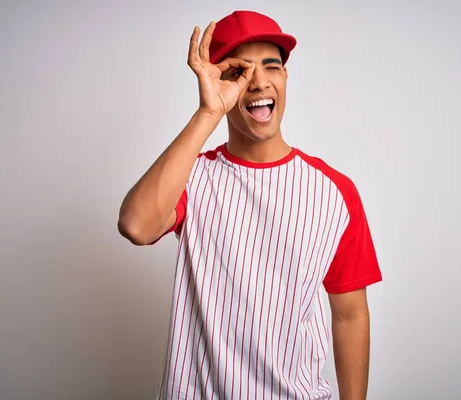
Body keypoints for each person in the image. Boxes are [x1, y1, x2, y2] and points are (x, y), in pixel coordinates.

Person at [118, 10, 382, 400]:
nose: (258, 81)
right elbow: (137, 226)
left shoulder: (335, 191)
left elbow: (350, 314)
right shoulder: (191, 177)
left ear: (285, 77)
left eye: (270, 66)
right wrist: (209, 112)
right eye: (238, 71)